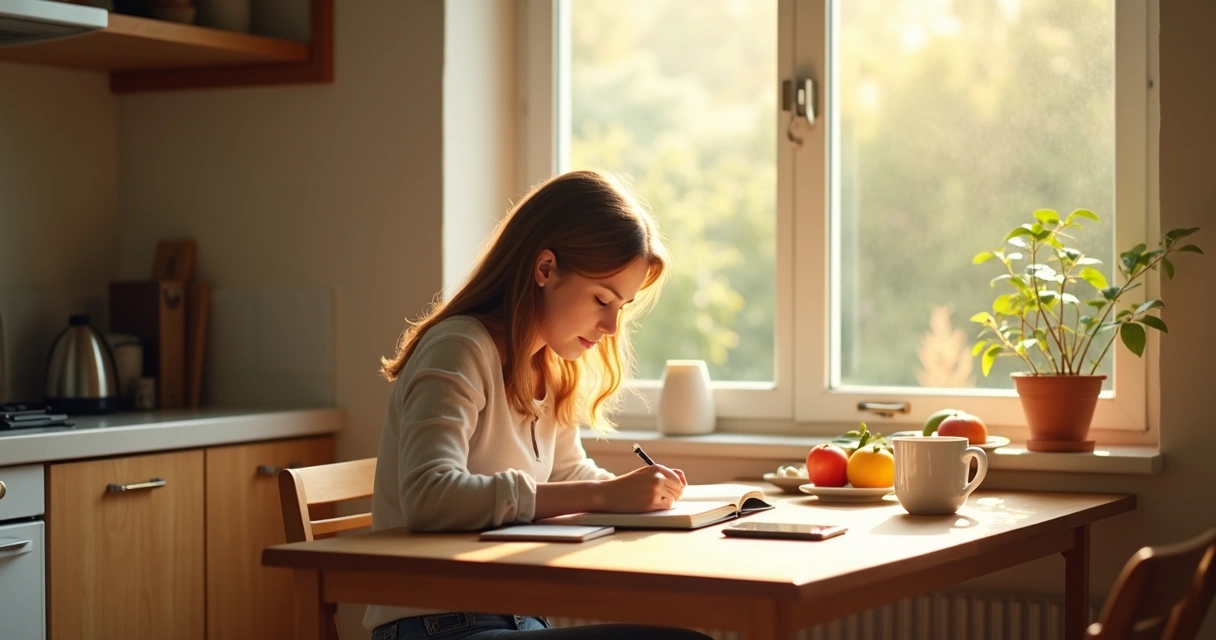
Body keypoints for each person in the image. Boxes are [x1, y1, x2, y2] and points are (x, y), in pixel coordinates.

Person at [366, 170, 714, 640]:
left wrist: (649, 501)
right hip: (435, 625)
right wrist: (606, 498)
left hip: (516, 618)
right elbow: (430, 495)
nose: (612, 326)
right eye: (601, 299)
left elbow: (570, 476)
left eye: (622, 307)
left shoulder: (551, 367)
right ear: (545, 269)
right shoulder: (459, 347)